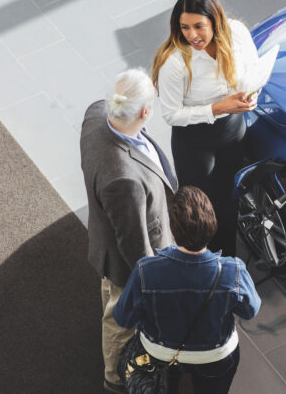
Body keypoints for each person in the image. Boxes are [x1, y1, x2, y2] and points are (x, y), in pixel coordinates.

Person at [80, 68, 178, 393]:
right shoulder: (124, 180)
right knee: (120, 319)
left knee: (110, 297)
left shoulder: (95, 114)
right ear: (145, 112)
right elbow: (134, 245)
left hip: (103, 234)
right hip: (123, 260)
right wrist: (154, 283)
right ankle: (113, 378)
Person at [114, 186, 261, 394]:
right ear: (212, 224)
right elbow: (250, 310)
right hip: (215, 355)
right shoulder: (233, 271)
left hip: (160, 353)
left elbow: (123, 317)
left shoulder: (146, 270)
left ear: (173, 230)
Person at [152, 0, 258, 257]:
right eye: (184, 27)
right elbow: (171, 114)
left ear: (215, 21)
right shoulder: (175, 63)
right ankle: (203, 262)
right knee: (200, 211)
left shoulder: (237, 34)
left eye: (199, 26)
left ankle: (230, 260)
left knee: (229, 202)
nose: (191, 35)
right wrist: (219, 107)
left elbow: (253, 69)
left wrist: (252, 94)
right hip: (195, 143)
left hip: (233, 130)